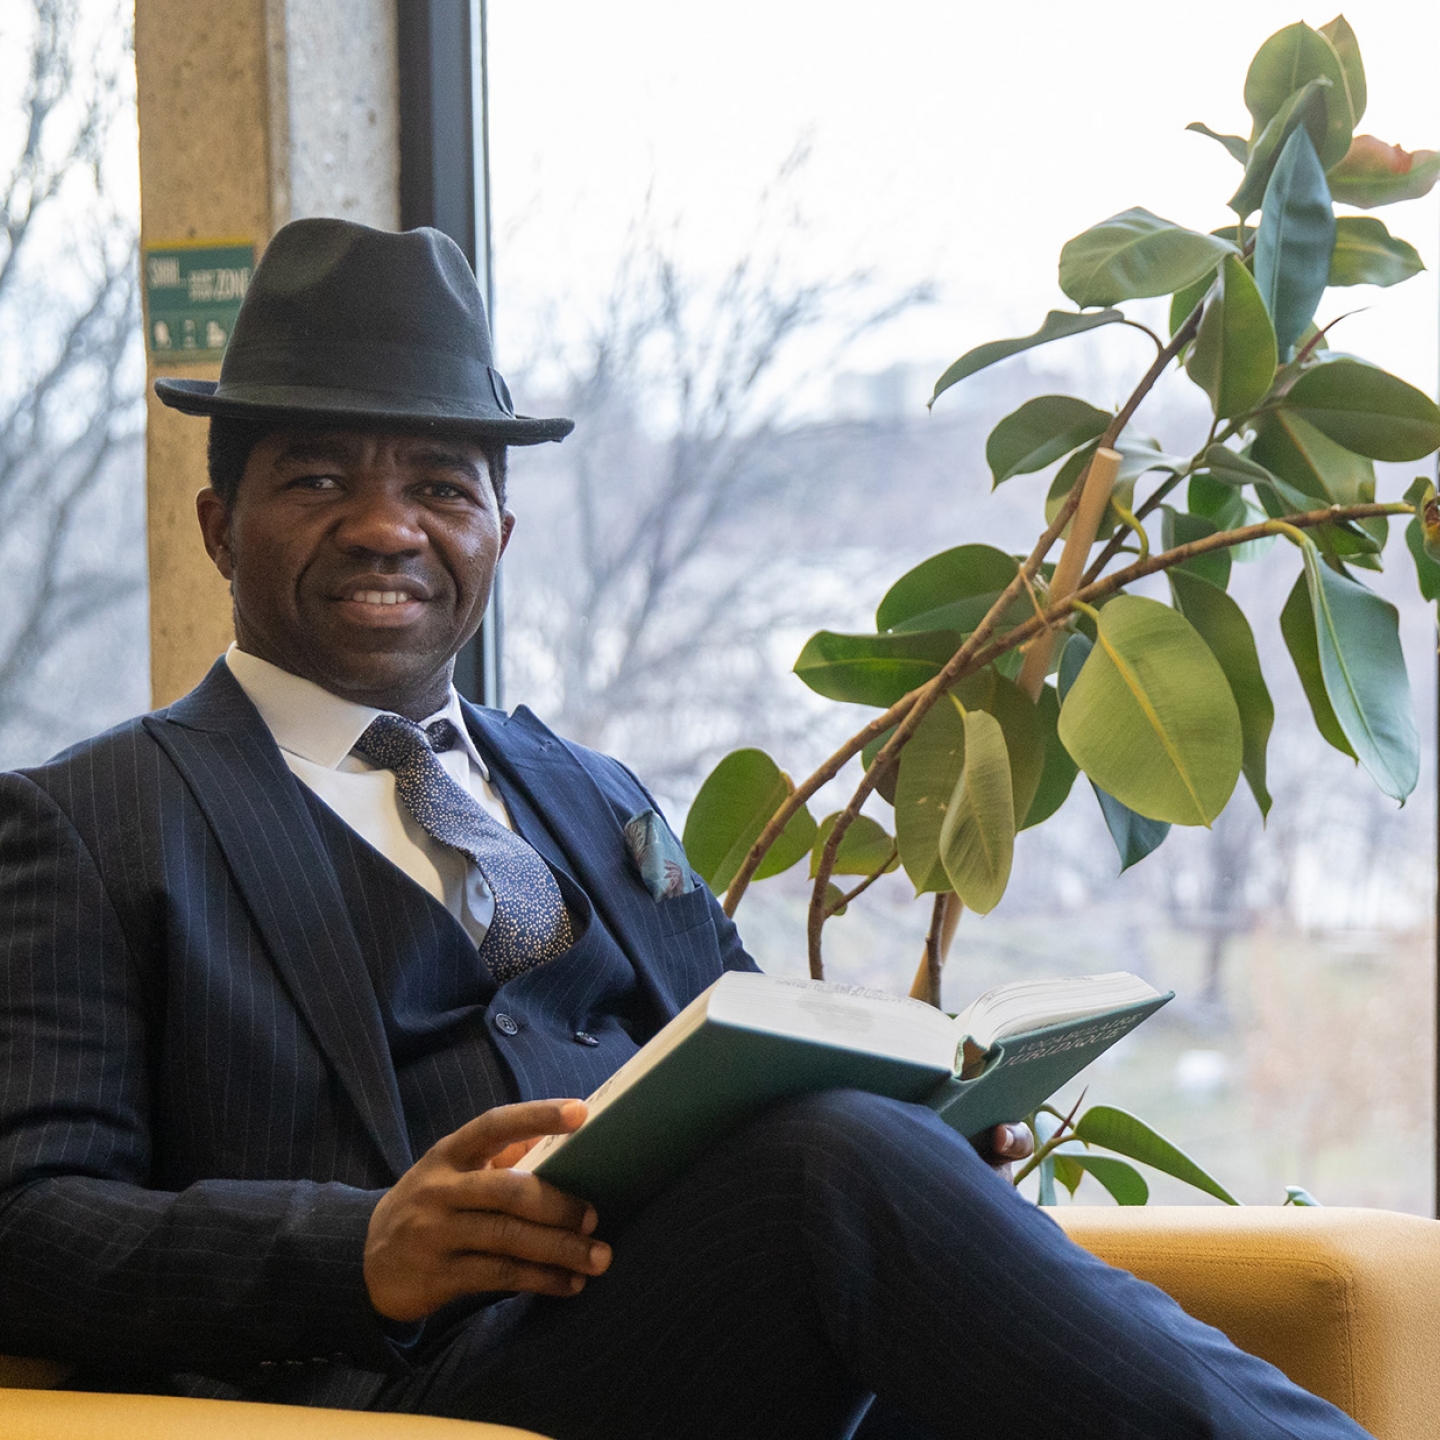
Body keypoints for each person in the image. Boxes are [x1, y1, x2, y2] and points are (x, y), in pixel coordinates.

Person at [0, 218, 1369, 1440]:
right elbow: (24, 1223)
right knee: (831, 1173)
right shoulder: (90, 823)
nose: (385, 527)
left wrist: (937, 1125)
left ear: (499, 528)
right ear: (215, 526)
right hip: (418, 1389)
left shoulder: (588, 792)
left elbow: (763, 1064)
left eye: (440, 483)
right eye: (314, 482)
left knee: (876, 1181)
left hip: (717, 1343)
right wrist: (358, 1247)